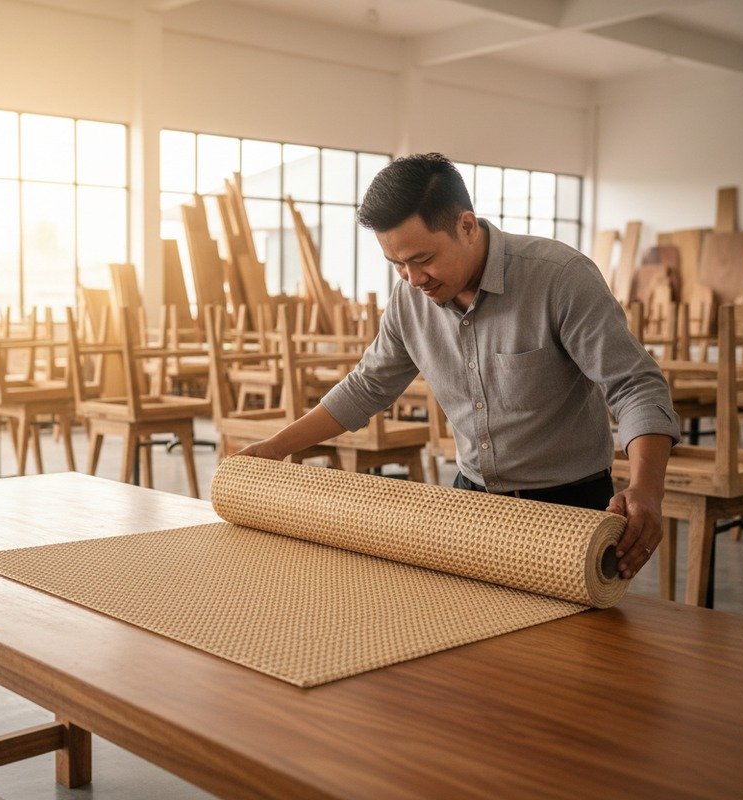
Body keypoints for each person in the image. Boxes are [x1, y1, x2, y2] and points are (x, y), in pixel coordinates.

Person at [238, 153, 678, 580]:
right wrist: (276, 447)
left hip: (569, 505)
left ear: (466, 225)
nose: (413, 279)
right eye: (397, 265)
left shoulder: (559, 278)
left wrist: (646, 488)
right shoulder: (410, 299)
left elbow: (634, 385)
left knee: (567, 649)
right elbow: (367, 387)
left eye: (423, 259)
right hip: (471, 500)